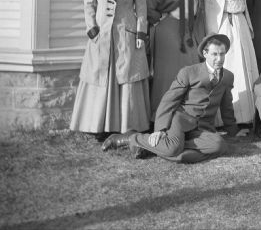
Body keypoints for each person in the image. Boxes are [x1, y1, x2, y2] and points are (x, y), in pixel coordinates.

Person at [102, 33, 240, 164]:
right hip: (180, 121)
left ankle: (160, 148)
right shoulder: (189, 72)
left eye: (222, 54)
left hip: (203, 128)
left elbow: (226, 106)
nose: (219, 59)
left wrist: (233, 130)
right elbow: (169, 100)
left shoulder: (228, 76)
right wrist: (160, 129)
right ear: (205, 54)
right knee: (174, 148)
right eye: (214, 54)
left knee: (219, 145)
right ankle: (130, 138)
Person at [70, 0, 151, 137]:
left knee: (126, 74)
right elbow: (89, 5)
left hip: (126, 34)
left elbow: (141, 8)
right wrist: (93, 31)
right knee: (99, 73)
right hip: (101, 35)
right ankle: (97, 126)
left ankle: (126, 125)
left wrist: (141, 33)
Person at [199, 0, 258, 125]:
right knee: (230, 65)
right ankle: (228, 118)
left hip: (241, 24)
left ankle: (249, 115)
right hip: (225, 25)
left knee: (245, 66)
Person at [146, 0, 205, 117]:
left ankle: (188, 115)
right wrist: (161, 18)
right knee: (169, 74)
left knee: (191, 71)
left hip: (188, 31)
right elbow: (148, 6)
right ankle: (162, 115)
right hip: (169, 31)